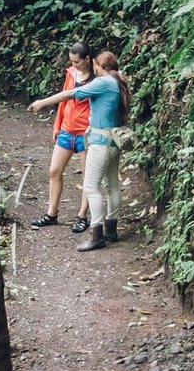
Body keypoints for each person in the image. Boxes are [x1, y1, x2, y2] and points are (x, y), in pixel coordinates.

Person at [28, 50, 130, 251]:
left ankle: (97, 233)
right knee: (112, 186)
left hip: (100, 142)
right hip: (114, 141)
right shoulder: (118, 81)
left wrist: (43, 102)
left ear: (99, 66)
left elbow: (72, 93)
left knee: (91, 187)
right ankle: (111, 229)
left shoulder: (104, 82)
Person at [30, 43, 93, 234]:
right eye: (71, 61)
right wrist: (57, 125)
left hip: (85, 132)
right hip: (67, 130)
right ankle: (51, 213)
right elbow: (64, 100)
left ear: (87, 60)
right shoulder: (71, 73)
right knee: (54, 170)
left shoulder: (96, 79)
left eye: (77, 62)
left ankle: (82, 216)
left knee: (87, 176)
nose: (74, 65)